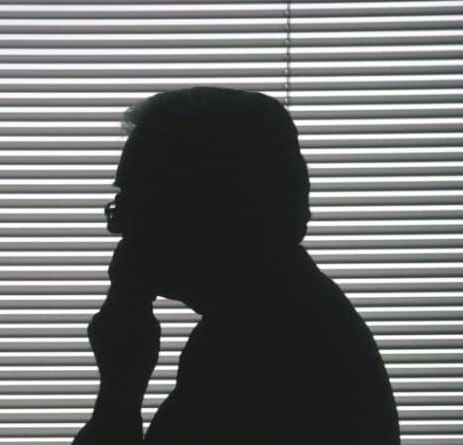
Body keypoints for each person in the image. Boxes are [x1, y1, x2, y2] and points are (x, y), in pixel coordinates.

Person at [74, 87, 400, 444]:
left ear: (202, 207)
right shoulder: (284, 321)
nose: (119, 228)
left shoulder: (259, 361)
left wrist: (119, 391)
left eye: (134, 203)